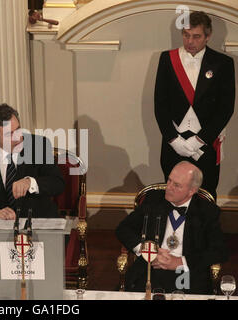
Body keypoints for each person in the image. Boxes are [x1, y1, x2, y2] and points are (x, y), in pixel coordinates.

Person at [154, 11, 235, 200]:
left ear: (208, 36)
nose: (190, 41)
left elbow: (225, 108)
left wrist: (199, 140)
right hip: (174, 143)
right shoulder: (167, 59)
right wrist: (174, 140)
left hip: (205, 143)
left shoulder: (223, 63)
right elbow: (160, 104)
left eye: (196, 36)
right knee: (174, 195)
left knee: (205, 196)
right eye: (186, 35)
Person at [116, 161, 228, 294]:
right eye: (169, 180)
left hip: (186, 272)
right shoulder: (153, 200)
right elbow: (123, 229)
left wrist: (181, 262)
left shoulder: (206, 211)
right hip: (151, 267)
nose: (169, 187)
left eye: (177, 185)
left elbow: (220, 250)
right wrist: (147, 250)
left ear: (191, 190)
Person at [0, 103, 65, 219]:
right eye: (9, 134)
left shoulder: (38, 146)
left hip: (38, 222)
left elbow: (58, 183)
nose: (18, 137)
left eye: (18, 129)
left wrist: (30, 182)